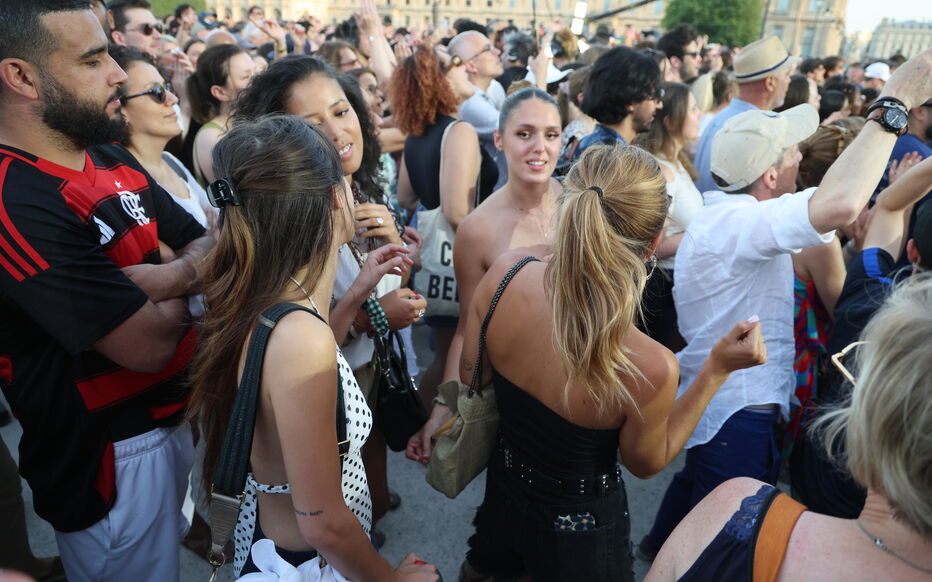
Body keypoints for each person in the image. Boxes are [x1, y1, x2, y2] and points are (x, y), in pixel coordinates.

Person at [639, 47, 932, 561]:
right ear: (770, 178)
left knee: (696, 489)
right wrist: (897, 101)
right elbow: (840, 204)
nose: (802, 155)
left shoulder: (722, 217)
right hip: (742, 412)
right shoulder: (743, 224)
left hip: (726, 405)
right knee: (730, 537)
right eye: (790, 152)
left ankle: (657, 549)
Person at [454, 143, 767, 582]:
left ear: (568, 207)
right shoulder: (650, 364)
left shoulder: (505, 273)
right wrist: (716, 369)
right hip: (580, 530)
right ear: (655, 242)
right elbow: (644, 462)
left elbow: (472, 375)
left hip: (505, 489)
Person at [0, 2, 215, 580]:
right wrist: (193, 276)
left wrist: (168, 277)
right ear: (21, 77)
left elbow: (212, 242)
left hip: (171, 419)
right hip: (108, 454)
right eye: (93, 60)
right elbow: (144, 346)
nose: (119, 73)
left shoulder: (108, 152)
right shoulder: (13, 197)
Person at [187, 114, 437, 582]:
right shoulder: (300, 339)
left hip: (278, 545)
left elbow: (311, 349)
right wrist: (392, 579)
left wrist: (360, 289)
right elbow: (323, 523)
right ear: (334, 198)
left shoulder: (272, 303)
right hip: (307, 565)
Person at [233, 55, 425, 535]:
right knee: (340, 505)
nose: (337, 131)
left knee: (370, 484)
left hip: (370, 376)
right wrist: (371, 316)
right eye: (311, 123)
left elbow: (380, 285)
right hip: (327, 389)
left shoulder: (356, 189)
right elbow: (288, 344)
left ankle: (373, 507)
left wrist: (396, 256)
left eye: (341, 112)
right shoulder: (284, 223)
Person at [644, 274, 932, 582]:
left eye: (856, 375)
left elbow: (645, 461)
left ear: (877, 417)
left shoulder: (735, 512)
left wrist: (716, 367)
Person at [407, 88, 565, 461]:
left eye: (551, 134)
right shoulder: (478, 229)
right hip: (518, 399)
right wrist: (444, 409)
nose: (539, 147)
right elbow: (467, 329)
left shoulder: (577, 204)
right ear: (499, 139)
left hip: (577, 392)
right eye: (524, 134)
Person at [790, 154, 932, 520]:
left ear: (912, 251)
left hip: (823, 477)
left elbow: (887, 207)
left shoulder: (870, 291)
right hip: (901, 515)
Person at [391, 47, 497, 400]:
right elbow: (456, 213)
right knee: (459, 361)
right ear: (439, 81)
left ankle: (420, 427)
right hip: (462, 266)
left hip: (437, 266)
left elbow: (405, 197)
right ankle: (424, 431)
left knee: (446, 355)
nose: (465, 68)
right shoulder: (460, 130)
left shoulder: (417, 132)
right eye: (455, 64)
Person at [110, 46, 214, 315]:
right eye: (156, 92)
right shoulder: (126, 185)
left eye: (167, 87)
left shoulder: (172, 161)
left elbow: (219, 238)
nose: (172, 99)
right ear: (121, 111)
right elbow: (215, 238)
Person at [633, 82, 704, 348]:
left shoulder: (677, 162)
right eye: (693, 109)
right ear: (671, 122)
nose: (699, 115)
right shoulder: (662, 172)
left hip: (676, 284)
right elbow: (652, 247)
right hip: (660, 290)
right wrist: (701, 231)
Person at [693, 36, 798, 193]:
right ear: (770, 82)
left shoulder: (724, 118)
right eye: (786, 75)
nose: (789, 81)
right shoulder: (755, 130)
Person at [574, 46, 663, 157]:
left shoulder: (593, 144)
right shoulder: (614, 158)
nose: (659, 105)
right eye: (654, 96)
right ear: (631, 100)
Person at [187, 43, 256, 183]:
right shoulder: (212, 137)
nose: (257, 80)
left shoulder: (255, 117)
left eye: (256, 72)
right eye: (246, 77)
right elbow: (237, 195)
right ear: (220, 92)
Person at [448, 30, 508, 188]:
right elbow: (519, 132)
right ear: (471, 65)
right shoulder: (471, 104)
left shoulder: (483, 96)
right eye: (488, 49)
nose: (497, 51)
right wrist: (540, 76)